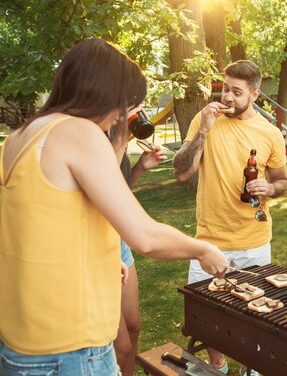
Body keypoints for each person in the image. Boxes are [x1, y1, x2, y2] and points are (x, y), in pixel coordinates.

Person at [0, 38, 228, 376]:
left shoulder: (20, 137)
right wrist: (202, 249)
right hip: (70, 348)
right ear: (109, 94)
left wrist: (96, 260)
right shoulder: (78, 132)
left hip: (21, 344)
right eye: (128, 103)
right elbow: (144, 236)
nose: (125, 114)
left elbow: (37, 227)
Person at [173, 60, 287, 375]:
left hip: (253, 242)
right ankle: (218, 365)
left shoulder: (270, 133)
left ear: (254, 94)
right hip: (209, 242)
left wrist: (270, 186)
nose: (227, 97)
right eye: (225, 89)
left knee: (257, 316)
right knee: (207, 319)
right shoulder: (204, 119)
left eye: (237, 92)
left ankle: (250, 368)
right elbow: (182, 171)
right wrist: (204, 132)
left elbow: (282, 181)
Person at [114, 126, 168, 376]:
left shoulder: (119, 138)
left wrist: (140, 167)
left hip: (119, 243)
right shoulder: (95, 137)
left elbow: (118, 191)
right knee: (121, 346)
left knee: (134, 326)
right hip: (99, 247)